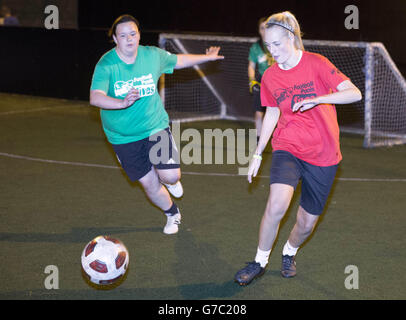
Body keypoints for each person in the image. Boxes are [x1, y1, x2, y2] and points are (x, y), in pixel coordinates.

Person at [234, 11, 362, 285]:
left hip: (324, 154)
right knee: (276, 205)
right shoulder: (269, 76)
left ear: (291, 38)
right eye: (268, 46)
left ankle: (289, 252)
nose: (273, 51)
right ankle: (259, 261)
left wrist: (319, 99)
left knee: (306, 223)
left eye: (278, 44)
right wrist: (258, 153)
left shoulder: (316, 64)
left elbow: (354, 93)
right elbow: (271, 113)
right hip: (288, 146)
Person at [89, 14, 224, 235]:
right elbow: (96, 97)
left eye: (133, 34)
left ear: (139, 35)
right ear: (115, 39)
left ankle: (169, 180)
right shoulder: (107, 64)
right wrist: (121, 102)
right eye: (123, 35)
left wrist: (206, 58)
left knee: (171, 176)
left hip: (154, 127)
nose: (129, 39)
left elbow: (179, 61)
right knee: (150, 185)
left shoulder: (152, 55)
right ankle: (173, 214)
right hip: (123, 137)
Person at [248, 17, 275, 144]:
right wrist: (252, 81)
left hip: (277, 83)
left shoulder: (277, 44)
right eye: (262, 28)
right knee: (259, 113)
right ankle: (259, 139)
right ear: (259, 30)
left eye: (267, 27)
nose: (265, 31)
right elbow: (251, 66)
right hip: (261, 83)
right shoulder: (256, 47)